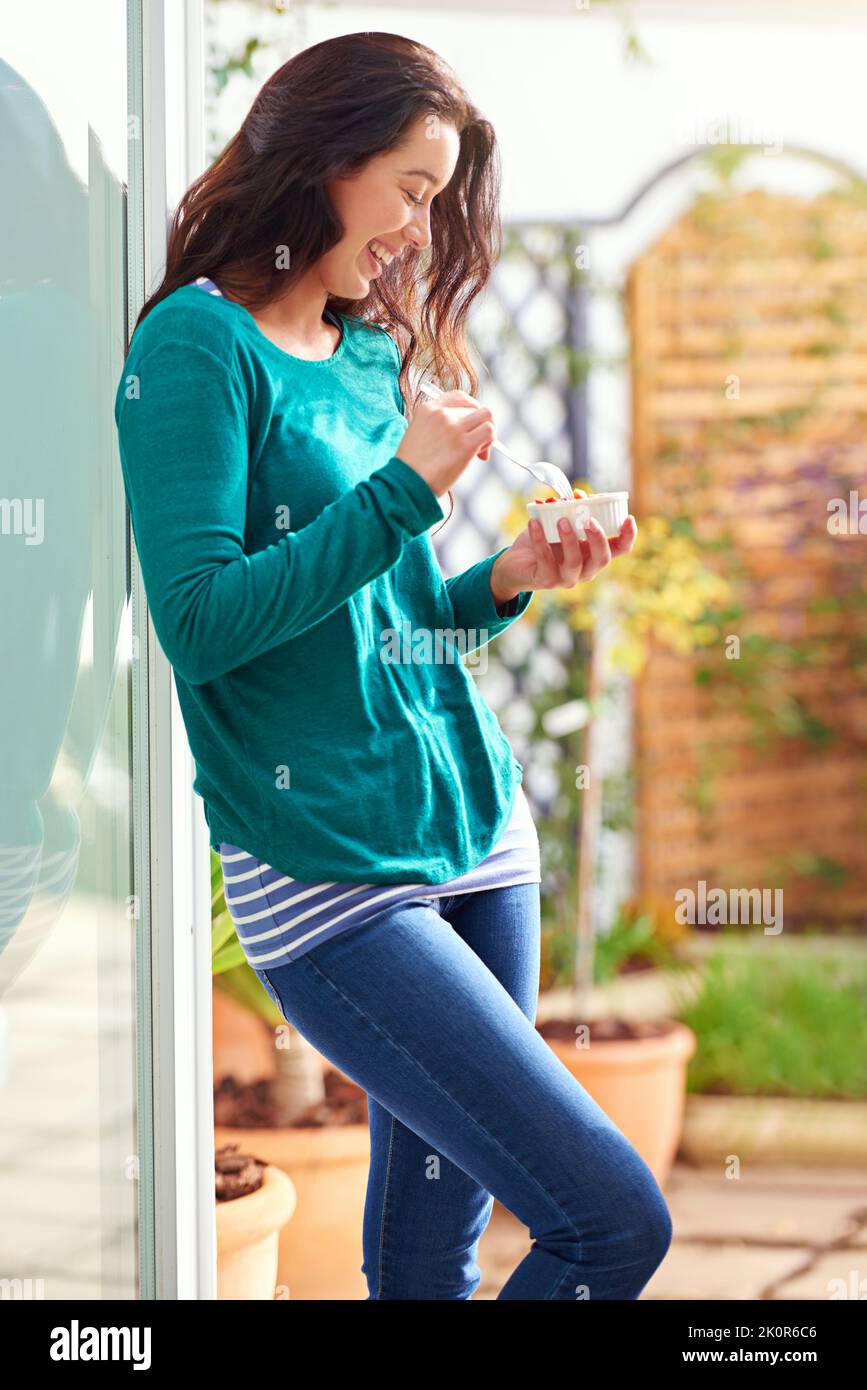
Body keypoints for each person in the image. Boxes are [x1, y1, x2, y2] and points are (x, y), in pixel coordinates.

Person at [115, 31, 668, 1301]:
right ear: (323, 160)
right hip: (331, 873)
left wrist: (512, 580)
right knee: (612, 1222)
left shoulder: (369, 350)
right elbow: (199, 623)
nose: (422, 231)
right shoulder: (195, 351)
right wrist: (405, 488)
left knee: (431, 1265)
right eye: (412, 191)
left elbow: (393, 625)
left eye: (436, 201)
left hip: (478, 835)